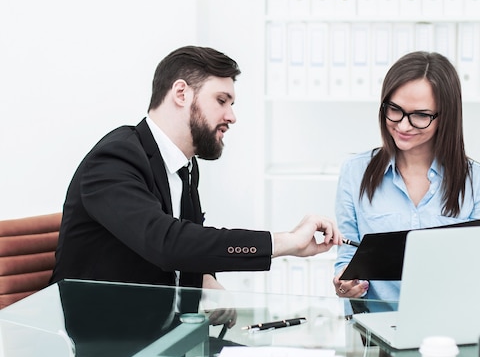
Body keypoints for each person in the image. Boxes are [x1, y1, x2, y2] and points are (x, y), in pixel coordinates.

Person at [50, 46, 341, 326]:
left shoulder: (185, 165)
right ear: (181, 93)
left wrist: (206, 277)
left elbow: (190, 238)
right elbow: (166, 242)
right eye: (221, 100)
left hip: (175, 337)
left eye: (231, 104)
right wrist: (286, 242)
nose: (231, 116)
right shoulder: (113, 160)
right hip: (106, 349)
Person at [332, 51, 480, 313]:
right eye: (394, 110)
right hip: (377, 332)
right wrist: (346, 283)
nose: (404, 126)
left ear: (446, 116)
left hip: (450, 326)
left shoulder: (475, 180)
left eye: (420, 115)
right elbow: (347, 255)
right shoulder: (355, 173)